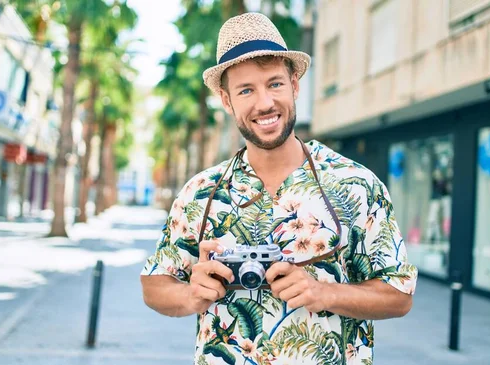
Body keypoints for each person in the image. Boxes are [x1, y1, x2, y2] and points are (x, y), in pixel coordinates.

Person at [140, 12, 418, 365]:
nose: (265, 103)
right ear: (227, 101)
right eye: (246, 90)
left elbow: (400, 295)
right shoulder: (200, 193)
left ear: (295, 85)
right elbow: (154, 285)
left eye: (274, 84)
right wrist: (190, 296)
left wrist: (323, 292)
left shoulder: (356, 185)